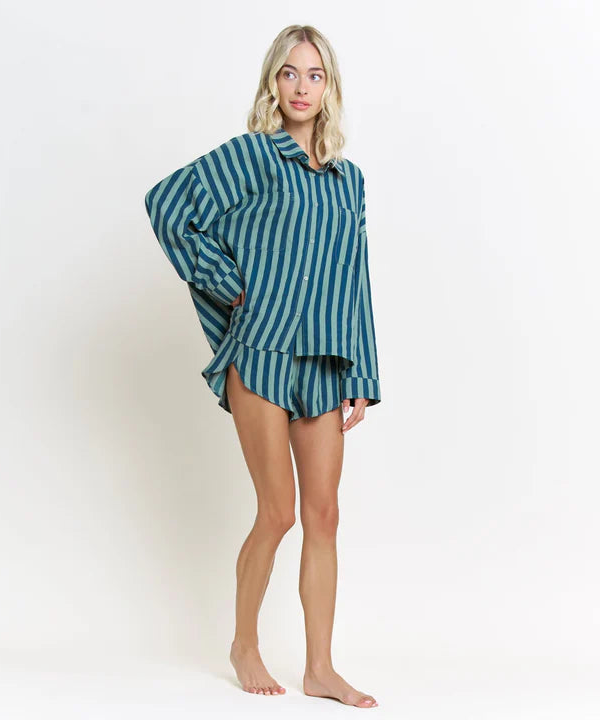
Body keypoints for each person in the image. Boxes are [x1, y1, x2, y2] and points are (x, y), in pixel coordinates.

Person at [144, 24, 381, 709]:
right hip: (262, 351)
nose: (301, 87)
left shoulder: (349, 181)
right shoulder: (252, 156)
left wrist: (362, 375)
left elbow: (354, 277)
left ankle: (320, 669)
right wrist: (227, 281)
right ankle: (243, 645)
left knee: (324, 515)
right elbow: (167, 204)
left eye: (314, 74)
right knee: (278, 512)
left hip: (325, 361)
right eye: (289, 73)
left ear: (330, 88)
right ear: (272, 84)